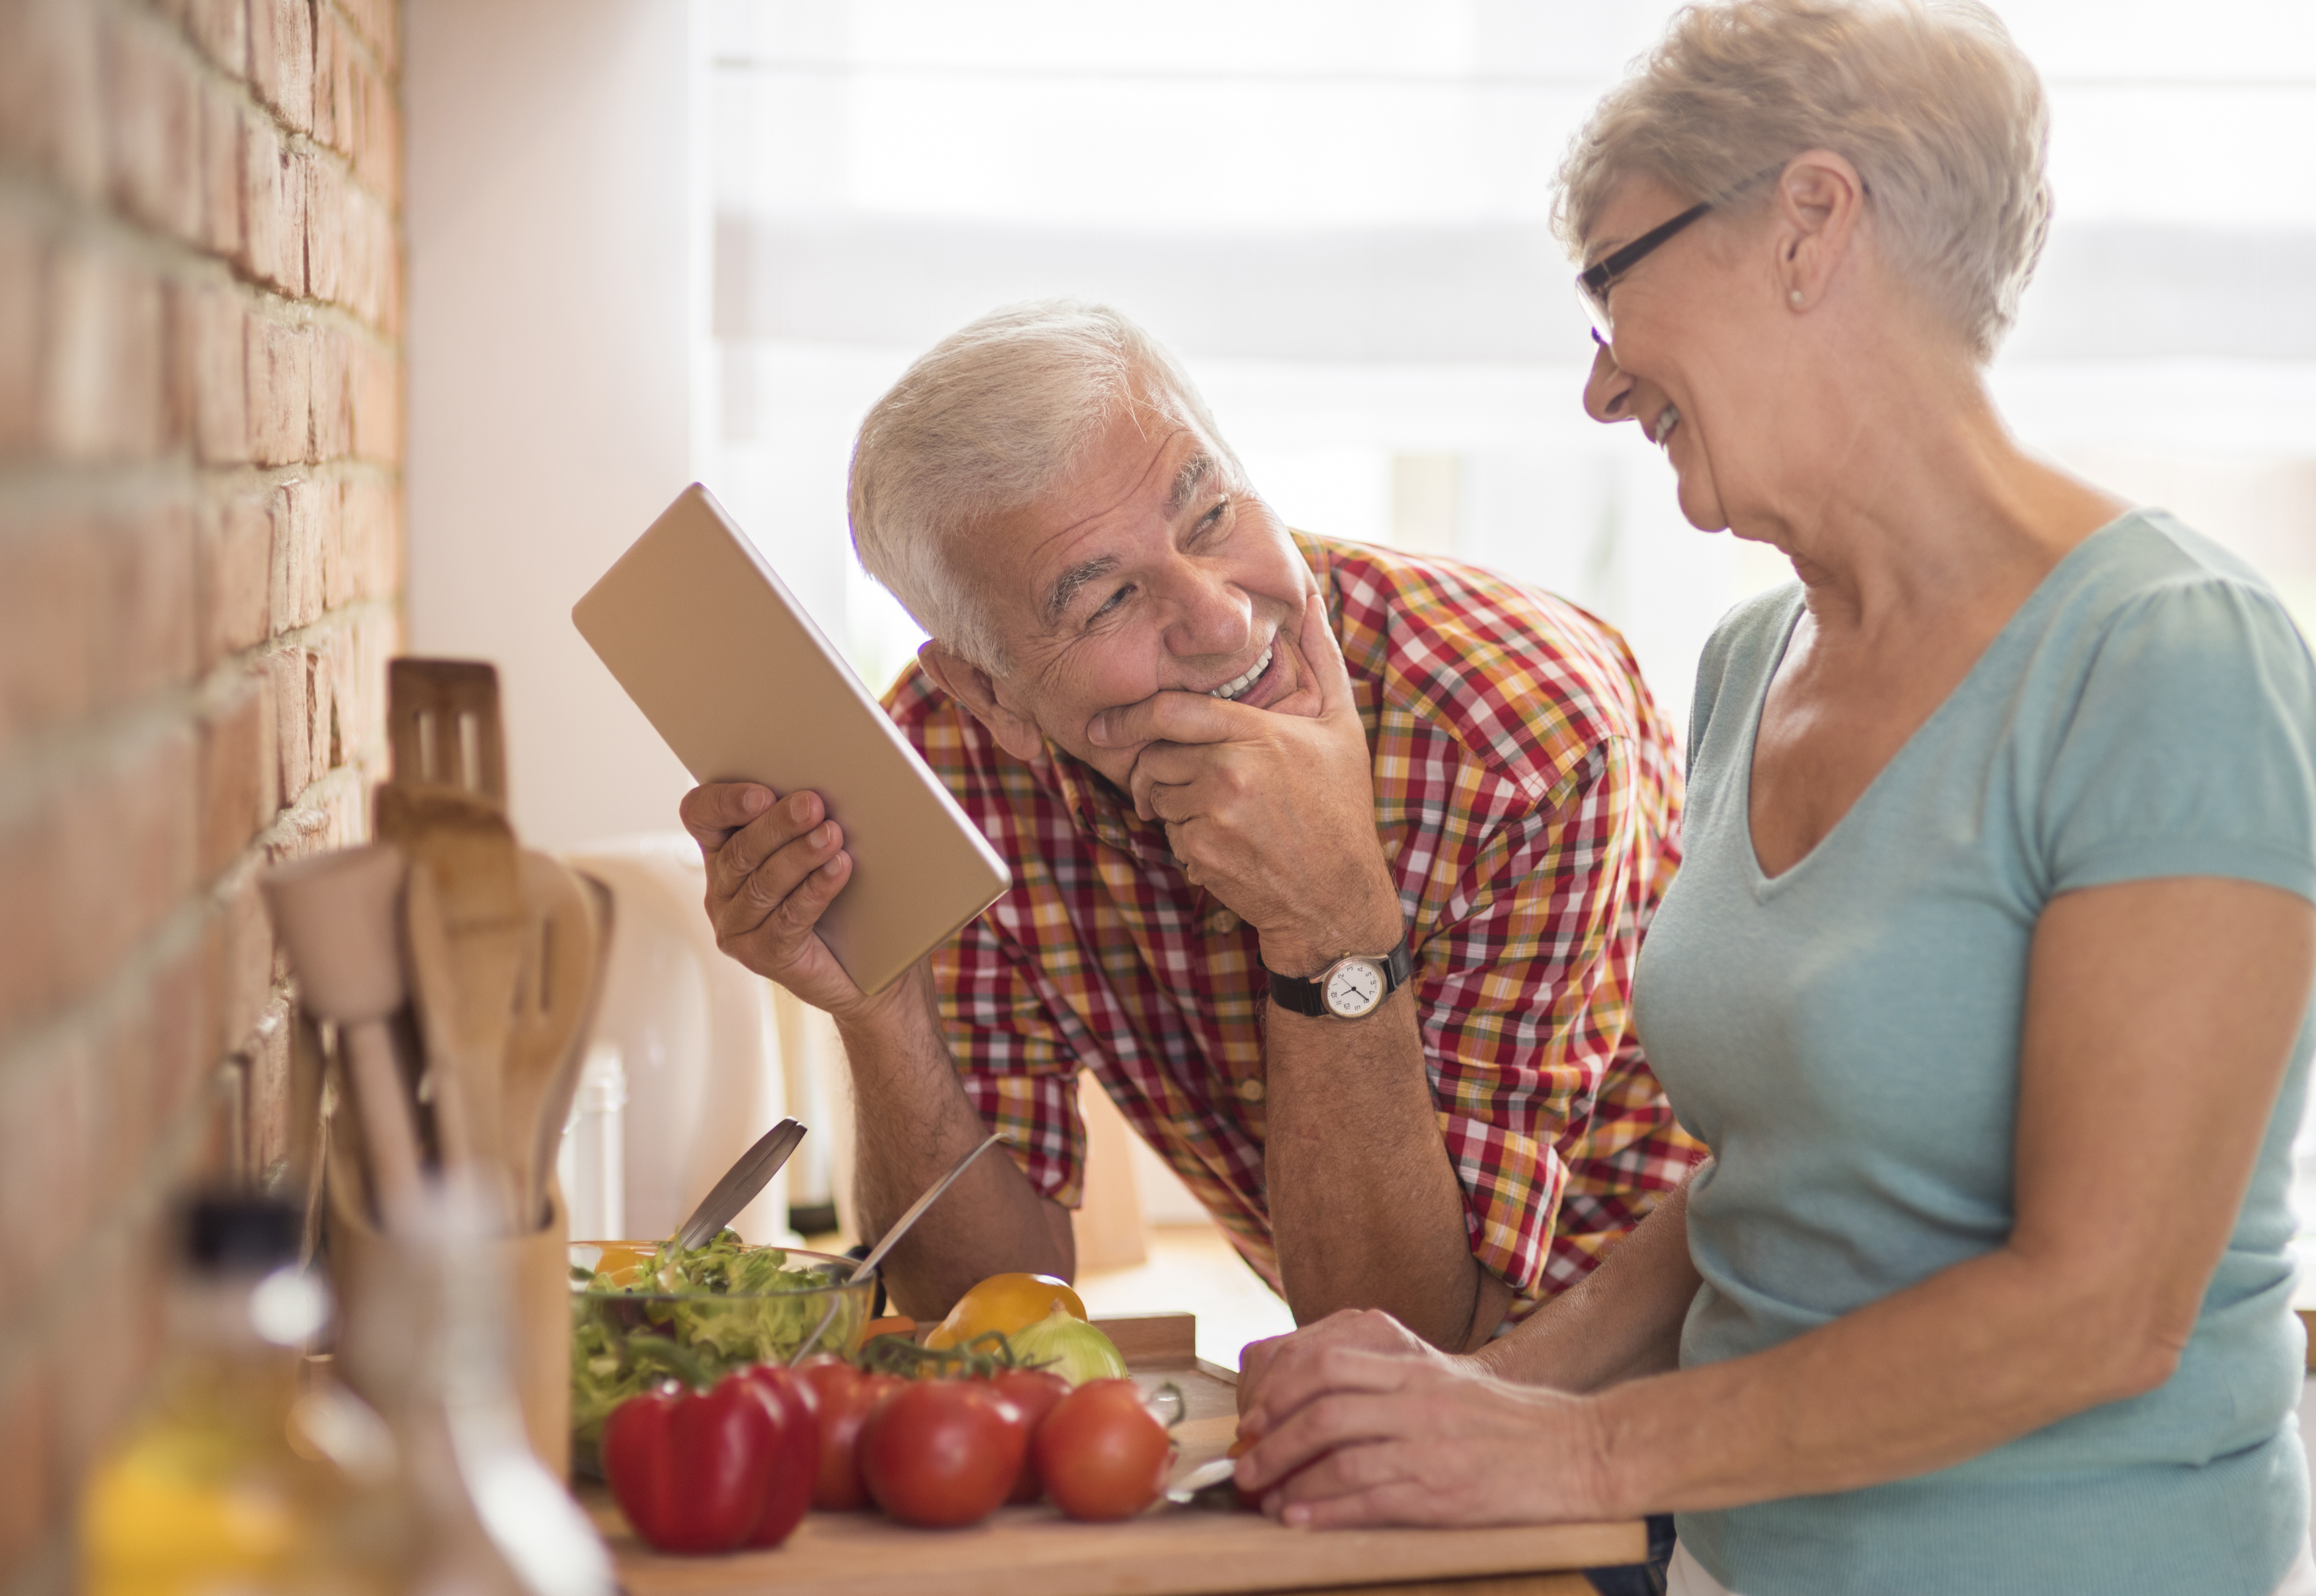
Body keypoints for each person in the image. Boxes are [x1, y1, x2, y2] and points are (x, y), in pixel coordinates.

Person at [1227, 3, 2316, 1596]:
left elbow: (2101, 1305)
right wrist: (1503, 1396)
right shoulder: (1755, 662)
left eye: (1614, 281)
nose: (1598, 379)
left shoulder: (2167, 655)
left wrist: (1578, 1464)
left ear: (1811, 225)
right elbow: (1771, 1184)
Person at [680, 301, 1699, 1361]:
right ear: (992, 696)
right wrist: (883, 1009)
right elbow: (983, 1309)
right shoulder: (949, 764)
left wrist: (1333, 919)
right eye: (1109, 597)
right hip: (1384, 1416)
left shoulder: (1524, 736)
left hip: (1671, 1375)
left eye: (1209, 515)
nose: (1219, 619)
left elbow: (1415, 1337)